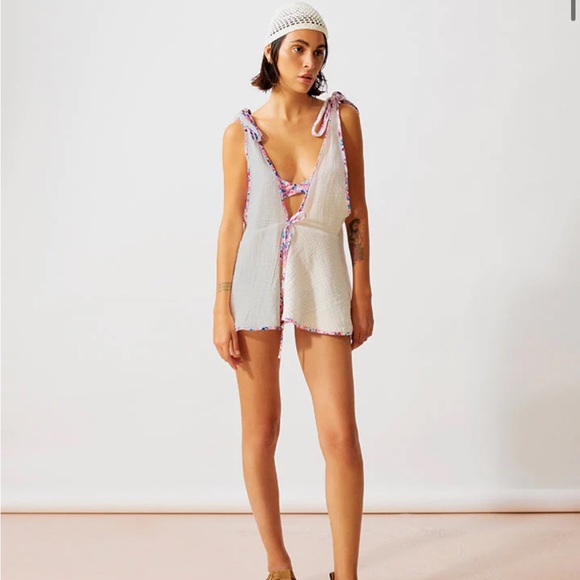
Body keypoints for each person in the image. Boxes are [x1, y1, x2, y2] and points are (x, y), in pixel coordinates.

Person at [213, 2, 373, 579]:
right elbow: (232, 222)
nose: (310, 63)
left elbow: (356, 211)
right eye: (299, 50)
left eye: (319, 52)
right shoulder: (240, 133)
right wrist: (221, 303)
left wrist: (362, 292)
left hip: (323, 279)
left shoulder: (342, 118)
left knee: (340, 435)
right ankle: (278, 565)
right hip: (253, 282)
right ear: (272, 53)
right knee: (261, 432)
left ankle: (345, 574)